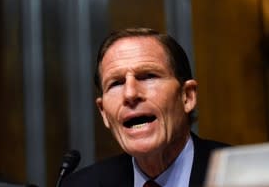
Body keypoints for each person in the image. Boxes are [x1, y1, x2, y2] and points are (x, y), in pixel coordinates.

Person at [62, 27, 229, 187]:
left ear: (187, 96)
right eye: (116, 83)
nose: (130, 94)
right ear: (104, 112)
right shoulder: (80, 184)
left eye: (148, 76)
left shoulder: (241, 174)